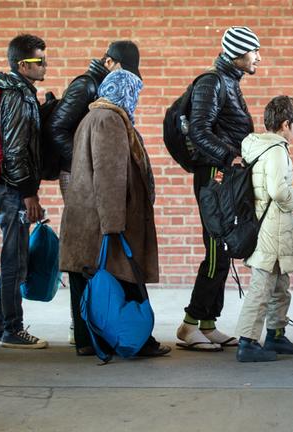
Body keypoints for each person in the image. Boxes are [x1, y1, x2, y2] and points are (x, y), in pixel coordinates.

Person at [59, 69, 170, 358]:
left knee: (85, 280)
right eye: (135, 93)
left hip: (84, 216)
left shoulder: (91, 116)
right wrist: (113, 224)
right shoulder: (110, 120)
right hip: (105, 219)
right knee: (125, 276)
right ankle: (137, 340)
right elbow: (109, 175)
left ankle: (88, 340)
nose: (136, 101)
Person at [45, 40, 142, 352]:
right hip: (78, 175)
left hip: (86, 174)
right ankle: (88, 331)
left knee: (87, 253)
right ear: (109, 62)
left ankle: (87, 331)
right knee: (88, 252)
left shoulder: (102, 96)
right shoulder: (88, 89)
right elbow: (57, 128)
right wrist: (82, 163)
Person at [177, 26, 261, 352]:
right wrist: (232, 156)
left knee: (224, 250)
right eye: (254, 51)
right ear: (239, 52)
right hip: (215, 176)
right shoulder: (212, 82)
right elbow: (198, 130)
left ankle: (208, 324)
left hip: (224, 176)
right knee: (215, 252)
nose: (258, 57)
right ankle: (188, 324)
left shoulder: (230, 83)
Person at [0, 34, 48, 349]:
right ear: (23, 64)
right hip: (12, 188)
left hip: (7, 186)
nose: (44, 64)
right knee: (14, 258)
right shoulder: (17, 96)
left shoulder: (18, 92)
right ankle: (12, 328)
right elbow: (16, 149)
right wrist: (28, 193)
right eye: (39, 60)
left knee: (15, 256)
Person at [235, 96, 293, 362]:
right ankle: (247, 342)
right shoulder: (276, 150)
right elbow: (278, 190)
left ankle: (276, 334)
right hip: (272, 227)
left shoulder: (257, 147)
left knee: (279, 283)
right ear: (286, 124)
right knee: (262, 285)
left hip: (270, 225)